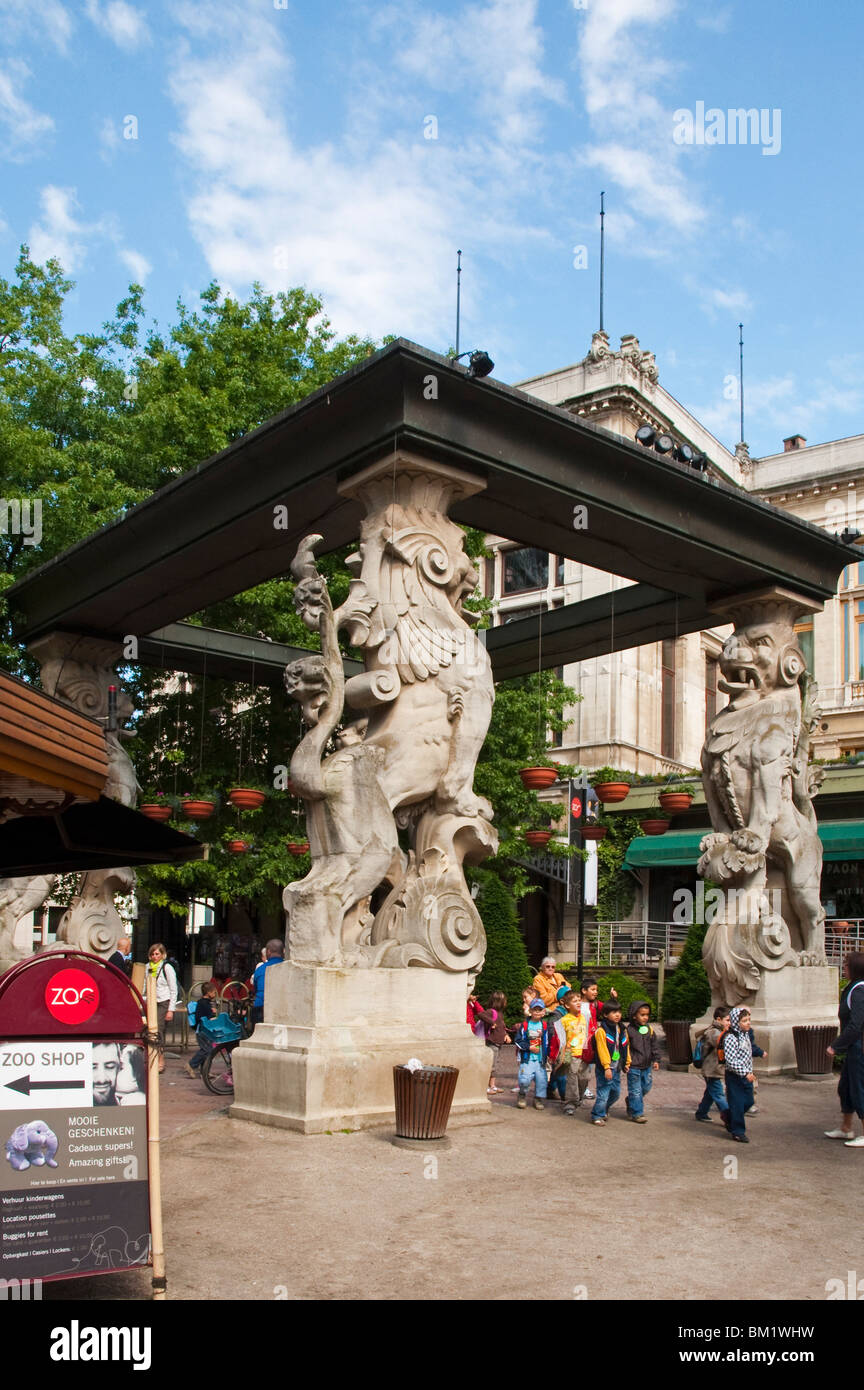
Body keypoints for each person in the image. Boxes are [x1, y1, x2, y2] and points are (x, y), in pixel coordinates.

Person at [825, 951, 864, 1146]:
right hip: (854, 1047)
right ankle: (846, 1128)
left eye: (847, 965)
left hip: (860, 1047)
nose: (844, 968)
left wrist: (836, 1045)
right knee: (846, 1087)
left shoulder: (859, 990)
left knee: (859, 1088)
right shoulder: (852, 988)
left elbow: (856, 1024)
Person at [723, 1006, 764, 1142]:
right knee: (737, 1104)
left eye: (749, 1020)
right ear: (736, 1022)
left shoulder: (745, 1035)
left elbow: (748, 1053)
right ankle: (738, 1131)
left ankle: (729, 1116)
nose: (748, 1023)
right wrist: (745, 1072)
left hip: (747, 1075)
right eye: (744, 1020)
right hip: (735, 1076)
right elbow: (731, 1061)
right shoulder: (731, 1038)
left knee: (749, 1101)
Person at [590, 999, 630, 1125]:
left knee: (616, 1093)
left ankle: (603, 1109)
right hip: (605, 1068)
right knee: (603, 1092)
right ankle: (597, 1115)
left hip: (617, 1067)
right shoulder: (602, 1031)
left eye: (618, 1011)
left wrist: (627, 1062)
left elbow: (625, 1046)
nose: (617, 1014)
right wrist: (606, 1067)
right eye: (613, 1012)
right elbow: (602, 1050)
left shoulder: (622, 1029)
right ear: (605, 1015)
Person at [513, 999, 557, 1109]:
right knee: (524, 1079)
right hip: (527, 1059)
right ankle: (522, 1095)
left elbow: (549, 1042)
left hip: (540, 1060)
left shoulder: (545, 1026)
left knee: (542, 1081)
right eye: (535, 1009)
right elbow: (518, 1040)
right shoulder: (525, 1025)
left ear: (543, 1012)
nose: (537, 1012)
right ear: (530, 1011)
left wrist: (550, 1055)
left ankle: (538, 1099)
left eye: (540, 1009)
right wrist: (528, 1047)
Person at [553, 990, 590, 1114]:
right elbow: (559, 1039)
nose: (578, 1003)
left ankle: (578, 1097)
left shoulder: (584, 1018)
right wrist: (560, 1055)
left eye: (579, 1000)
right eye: (575, 1001)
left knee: (585, 1078)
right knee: (572, 1077)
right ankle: (570, 1103)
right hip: (570, 1052)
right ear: (567, 1005)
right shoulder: (563, 1020)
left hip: (584, 1053)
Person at [694, 1006, 731, 1124]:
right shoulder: (714, 1032)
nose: (729, 1023)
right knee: (719, 1095)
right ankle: (729, 1118)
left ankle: (701, 1112)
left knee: (710, 1093)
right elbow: (723, 1044)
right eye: (727, 1020)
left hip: (714, 1069)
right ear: (719, 1019)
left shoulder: (720, 1031)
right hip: (711, 1070)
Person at [625, 1000, 661, 1123]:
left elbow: (654, 1045)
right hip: (634, 1065)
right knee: (635, 1090)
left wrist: (656, 1059)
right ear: (634, 1015)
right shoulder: (629, 1030)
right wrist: (625, 1062)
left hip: (646, 1065)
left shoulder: (649, 1029)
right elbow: (625, 1047)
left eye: (647, 1015)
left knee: (646, 1087)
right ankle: (637, 1113)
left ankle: (631, 1101)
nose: (645, 1017)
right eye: (642, 1015)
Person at [147, 943, 178, 1075]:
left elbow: (173, 989)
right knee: (149, 1029)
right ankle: (152, 1057)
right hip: (151, 1001)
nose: (155, 956)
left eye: (157, 954)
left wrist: (171, 1009)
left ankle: (160, 1059)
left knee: (158, 1029)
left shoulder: (167, 967)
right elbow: (144, 985)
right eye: (153, 954)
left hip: (163, 1001)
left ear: (162, 955)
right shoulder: (148, 967)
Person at [185, 981, 220, 1079]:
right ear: (208, 992)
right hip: (202, 1031)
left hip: (204, 1030)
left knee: (208, 1050)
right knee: (207, 1049)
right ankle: (191, 1065)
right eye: (213, 992)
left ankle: (204, 1071)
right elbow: (203, 1017)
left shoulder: (204, 1002)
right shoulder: (204, 1004)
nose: (215, 994)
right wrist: (212, 1013)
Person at [251, 938, 285, 1025]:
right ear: (283, 951)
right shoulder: (288, 968)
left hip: (260, 1007)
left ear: (268, 951)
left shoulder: (260, 969)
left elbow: (256, 988)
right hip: (282, 1009)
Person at [483, 991, 510, 1095]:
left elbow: (502, 1026)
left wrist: (506, 1034)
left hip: (498, 1043)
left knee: (495, 1065)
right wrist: (491, 1022)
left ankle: (492, 1085)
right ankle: (485, 1086)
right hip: (492, 1042)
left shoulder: (500, 1013)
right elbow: (481, 1014)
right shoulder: (491, 1011)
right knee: (491, 1065)